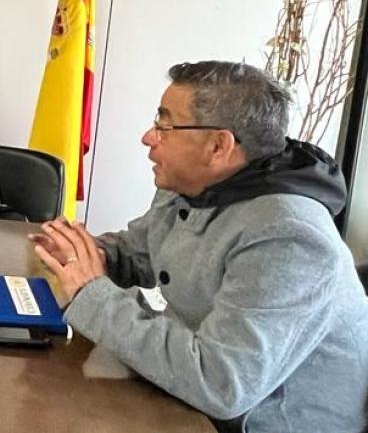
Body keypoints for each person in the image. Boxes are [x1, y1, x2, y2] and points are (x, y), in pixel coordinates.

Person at [31, 61, 368, 433]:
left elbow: (221, 383)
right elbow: (143, 252)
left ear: (218, 146)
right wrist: (84, 254)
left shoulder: (289, 236)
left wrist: (91, 292)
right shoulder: (193, 185)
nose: (148, 136)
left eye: (165, 125)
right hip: (188, 398)